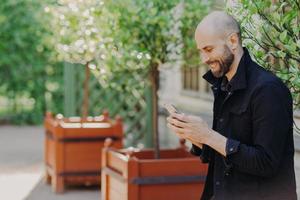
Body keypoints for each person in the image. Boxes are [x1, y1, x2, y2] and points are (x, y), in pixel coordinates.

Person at [166, 11, 297, 200]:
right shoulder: (223, 85)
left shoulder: (268, 90)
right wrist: (196, 137)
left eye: (209, 49)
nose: (204, 59)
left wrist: (209, 136)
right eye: (200, 51)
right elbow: (225, 153)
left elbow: (267, 163)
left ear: (233, 41)